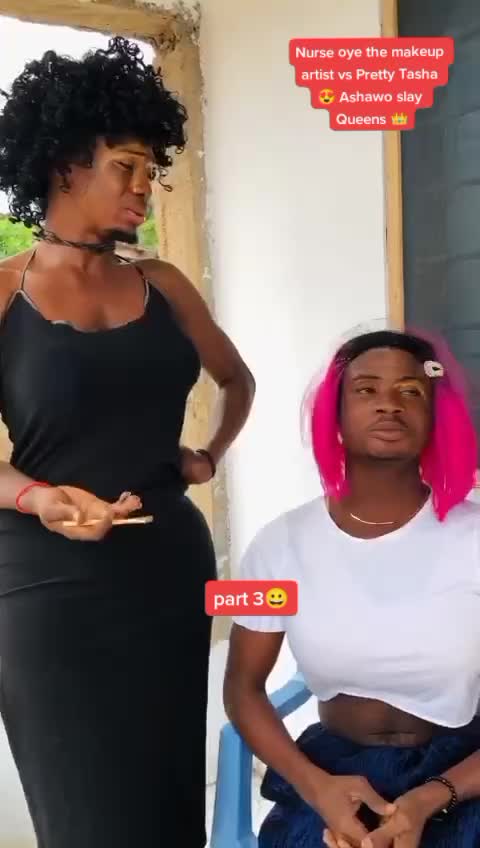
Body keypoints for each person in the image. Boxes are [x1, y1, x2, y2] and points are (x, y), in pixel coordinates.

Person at [0, 36, 255, 848]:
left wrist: (206, 456)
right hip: (44, 584)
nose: (145, 186)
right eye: (127, 167)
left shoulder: (164, 283)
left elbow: (236, 381)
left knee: (166, 796)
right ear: (65, 164)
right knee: (84, 812)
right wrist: (38, 497)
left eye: (153, 170)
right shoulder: (3, 292)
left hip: (164, 569)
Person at [224, 328, 480, 848]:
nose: (389, 404)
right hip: (332, 773)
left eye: (411, 390)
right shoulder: (275, 545)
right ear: (334, 415)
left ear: (435, 416)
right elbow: (241, 689)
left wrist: (432, 797)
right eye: (366, 389)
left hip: (462, 773)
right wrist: (317, 788)